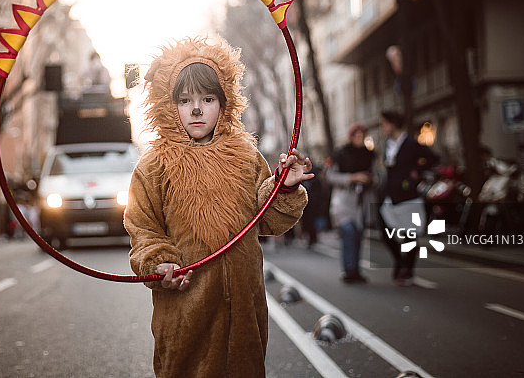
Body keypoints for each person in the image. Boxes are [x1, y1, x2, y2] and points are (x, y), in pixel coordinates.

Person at [123, 37, 312, 377]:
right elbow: (143, 228)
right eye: (185, 100)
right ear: (170, 105)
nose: (196, 109)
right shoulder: (154, 166)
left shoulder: (245, 157)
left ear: (224, 103)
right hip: (185, 312)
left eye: (207, 99)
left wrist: (285, 187)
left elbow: (268, 220)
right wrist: (161, 263)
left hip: (245, 312)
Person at [378, 110, 438, 286]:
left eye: (384, 124)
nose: (382, 128)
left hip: (407, 196)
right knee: (385, 231)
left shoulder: (411, 143)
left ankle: (408, 269)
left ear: (392, 124)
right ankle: (400, 261)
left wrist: (416, 173)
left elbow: (433, 158)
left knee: (409, 234)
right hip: (390, 196)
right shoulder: (388, 144)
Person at [327, 123, 375, 284]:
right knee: (349, 232)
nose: (360, 139)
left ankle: (356, 270)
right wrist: (353, 178)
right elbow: (330, 177)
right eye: (358, 135)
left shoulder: (370, 155)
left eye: (363, 135)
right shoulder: (341, 154)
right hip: (344, 201)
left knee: (359, 236)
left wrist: (369, 179)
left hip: (362, 201)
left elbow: (376, 176)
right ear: (352, 136)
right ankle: (348, 269)